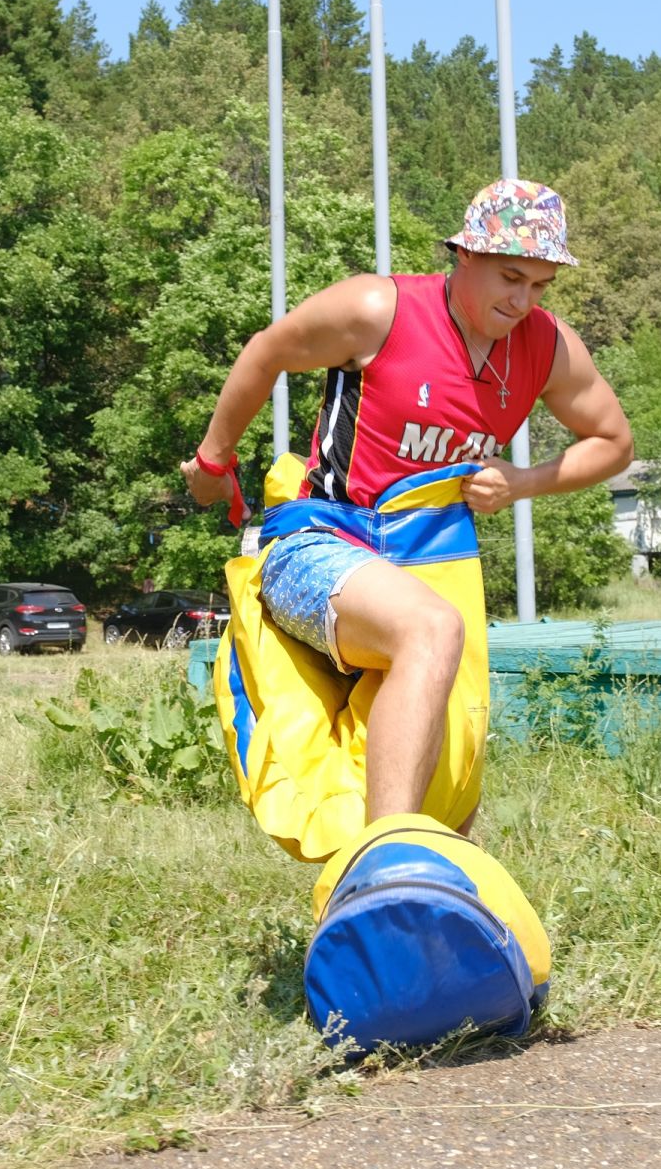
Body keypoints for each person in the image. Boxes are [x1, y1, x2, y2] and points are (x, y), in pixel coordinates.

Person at [183, 178, 633, 832]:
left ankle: (413, 901)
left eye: (540, 286)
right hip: (317, 546)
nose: (522, 301)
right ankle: (386, 863)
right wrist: (213, 461)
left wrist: (521, 482)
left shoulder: (549, 348)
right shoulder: (377, 310)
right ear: (463, 255)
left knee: (455, 774)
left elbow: (615, 443)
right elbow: (266, 352)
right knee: (432, 629)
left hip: (430, 561)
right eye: (510, 277)